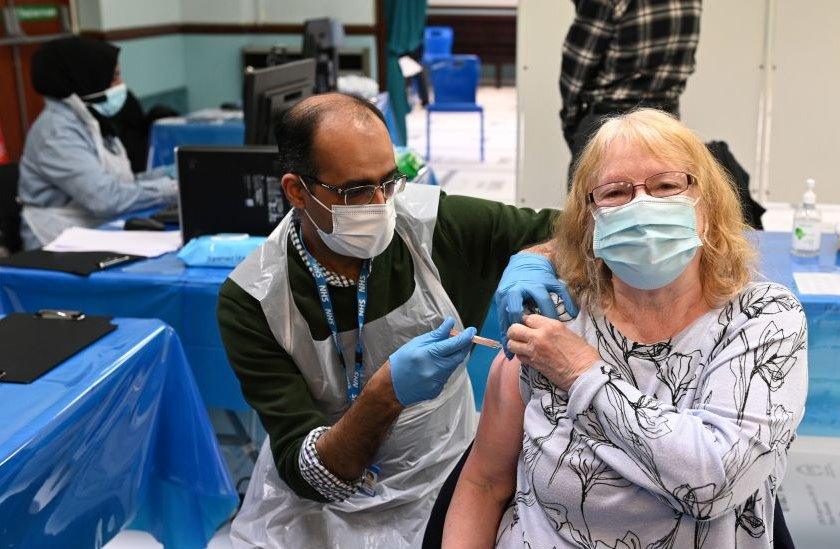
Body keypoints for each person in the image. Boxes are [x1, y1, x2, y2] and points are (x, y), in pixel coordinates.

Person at [217, 92, 576, 548]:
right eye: (355, 191)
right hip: (319, 505)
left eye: (389, 180)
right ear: (296, 191)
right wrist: (386, 394)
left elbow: (572, 231)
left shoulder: (431, 226)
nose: (380, 203)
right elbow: (306, 472)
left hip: (444, 472)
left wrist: (535, 260)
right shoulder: (255, 300)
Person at [444, 108, 808, 548]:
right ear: (591, 220)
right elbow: (484, 484)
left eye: (666, 186)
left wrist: (582, 371)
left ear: (707, 209)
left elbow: (714, 481)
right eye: (615, 192)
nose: (642, 207)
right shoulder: (556, 321)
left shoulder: (762, 318)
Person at [18, 36, 177, 249]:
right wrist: (169, 188)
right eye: (114, 78)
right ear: (86, 77)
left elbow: (118, 181)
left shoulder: (88, 120)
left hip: (92, 228)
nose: (121, 86)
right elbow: (105, 198)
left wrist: (170, 173)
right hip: (55, 239)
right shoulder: (56, 132)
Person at [561, 0, 702, 174]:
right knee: (665, 195)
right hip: (667, 121)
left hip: (608, 122)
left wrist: (572, 123)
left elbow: (577, 66)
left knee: (595, 196)